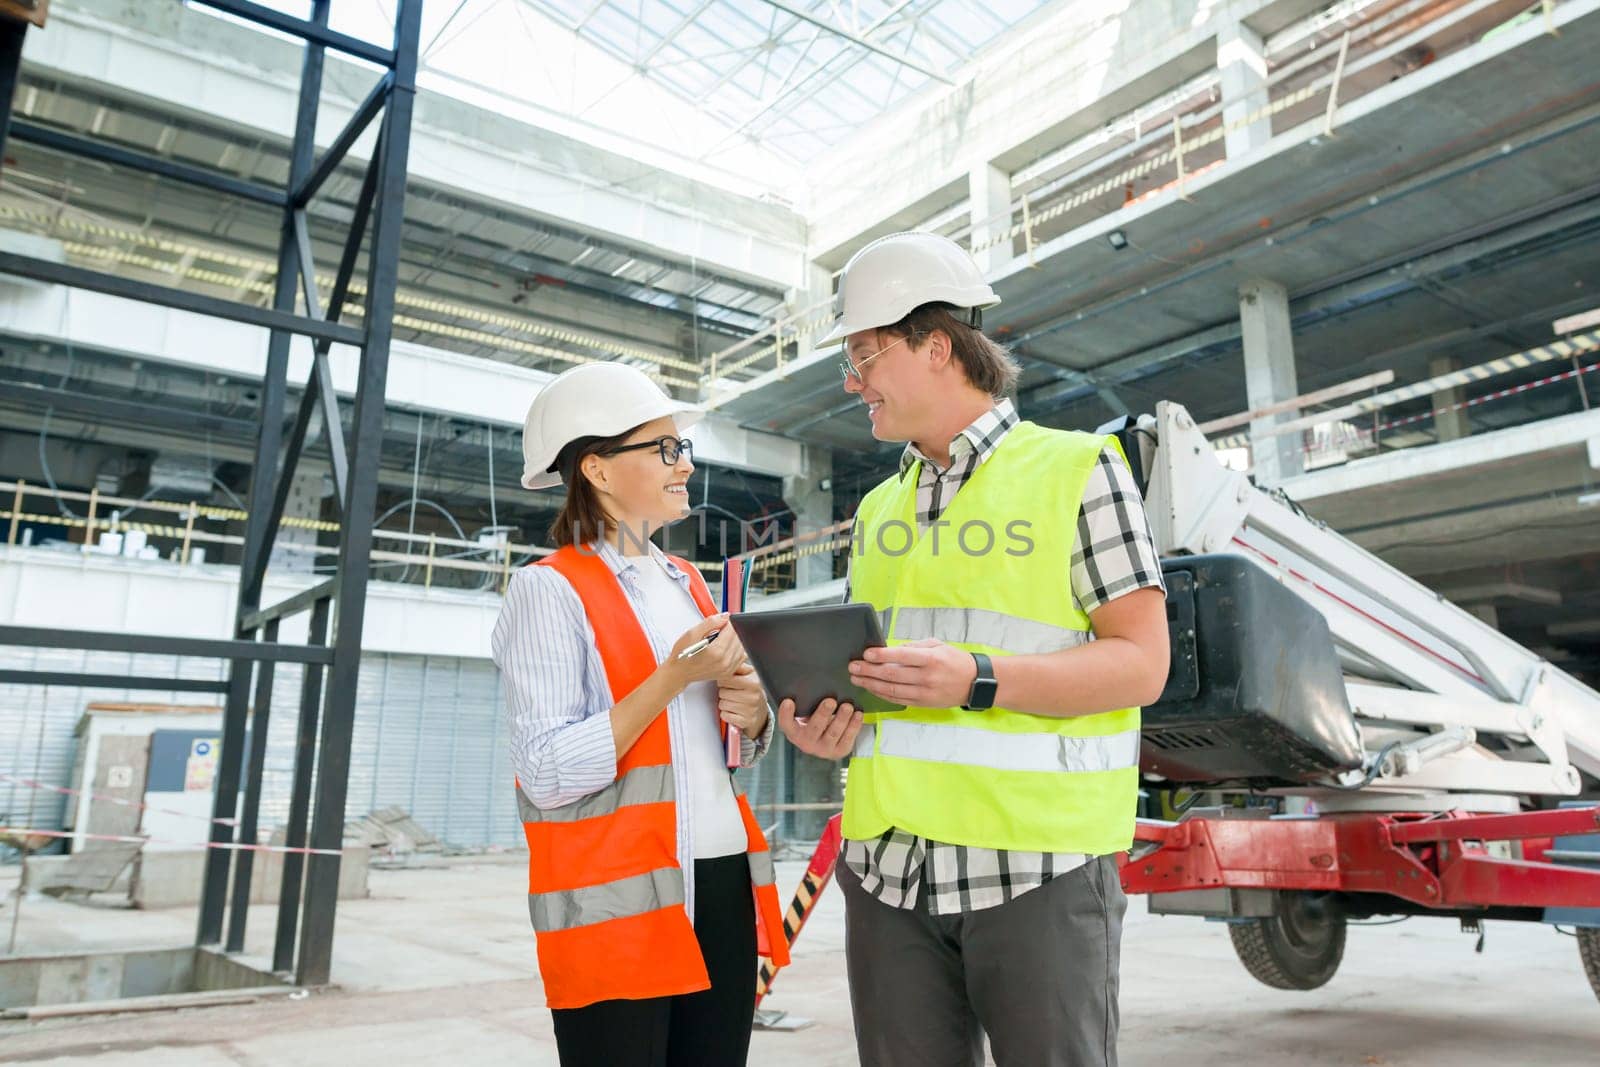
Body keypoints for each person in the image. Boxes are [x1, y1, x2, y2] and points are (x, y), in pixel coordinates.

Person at [778, 231, 1171, 1067]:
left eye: (864, 356)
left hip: (1038, 868)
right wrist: (833, 723)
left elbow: (1142, 662)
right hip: (888, 870)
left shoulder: (1078, 470)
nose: (853, 383)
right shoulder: (879, 508)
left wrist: (978, 679)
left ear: (937, 346)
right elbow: (879, 683)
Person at [491, 361, 790, 1067]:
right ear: (595, 468)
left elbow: (710, 752)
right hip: (619, 900)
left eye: (682, 447)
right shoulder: (548, 590)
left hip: (718, 878)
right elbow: (545, 771)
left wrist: (752, 719)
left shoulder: (688, 582)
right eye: (663, 448)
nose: (684, 463)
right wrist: (669, 681)